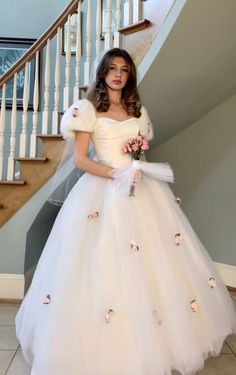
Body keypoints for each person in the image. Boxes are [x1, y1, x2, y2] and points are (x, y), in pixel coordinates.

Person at [15, 48, 236, 375]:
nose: (118, 74)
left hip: (142, 190)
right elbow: (81, 160)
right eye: (112, 68)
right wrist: (116, 174)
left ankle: (152, 338)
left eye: (124, 69)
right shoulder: (87, 109)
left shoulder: (138, 111)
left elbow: (140, 159)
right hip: (101, 192)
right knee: (102, 263)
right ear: (103, 72)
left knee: (153, 264)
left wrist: (136, 171)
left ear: (129, 75)